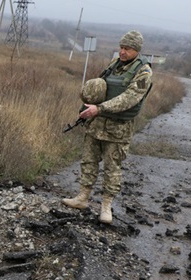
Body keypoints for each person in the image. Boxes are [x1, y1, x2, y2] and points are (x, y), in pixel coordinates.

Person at [63, 30, 153, 224]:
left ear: (136, 50)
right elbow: (101, 86)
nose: (122, 52)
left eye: (127, 49)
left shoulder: (143, 71)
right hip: (97, 124)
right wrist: (88, 106)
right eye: (121, 47)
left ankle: (106, 206)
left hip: (118, 128)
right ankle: (83, 197)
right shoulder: (114, 65)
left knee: (112, 169)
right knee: (88, 161)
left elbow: (129, 98)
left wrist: (100, 109)